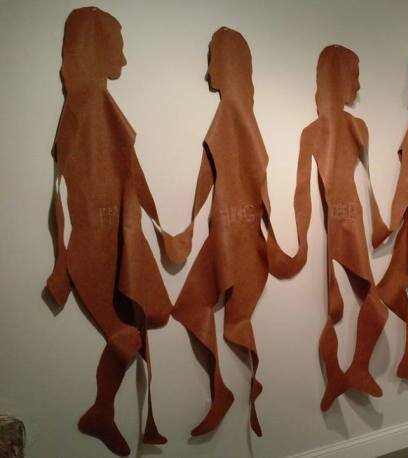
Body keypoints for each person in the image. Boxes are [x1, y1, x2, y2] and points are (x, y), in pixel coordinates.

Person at [47, 7, 172, 455]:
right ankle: (100, 412)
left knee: (151, 318)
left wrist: (158, 226)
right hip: (94, 245)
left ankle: (101, 412)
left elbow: (132, 174)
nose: (124, 59)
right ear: (96, 50)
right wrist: (60, 260)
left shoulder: (102, 104)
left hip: (118, 238)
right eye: (118, 48)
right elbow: (60, 188)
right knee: (129, 334)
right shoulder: (80, 109)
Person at [171, 27, 292, 437]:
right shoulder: (240, 113)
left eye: (212, 63)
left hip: (234, 234)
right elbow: (234, 173)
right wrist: (191, 225)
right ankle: (230, 391)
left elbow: (239, 175)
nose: (208, 75)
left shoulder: (232, 112)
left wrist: (191, 225)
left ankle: (230, 390)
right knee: (214, 314)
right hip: (237, 232)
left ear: (228, 65)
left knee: (206, 312)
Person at [274, 45, 389, 411]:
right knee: (341, 308)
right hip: (341, 223)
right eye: (355, 77)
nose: (359, 85)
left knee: (363, 307)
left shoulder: (356, 127)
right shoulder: (314, 132)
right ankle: (343, 373)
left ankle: (354, 369)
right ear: (338, 79)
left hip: (350, 219)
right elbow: (302, 193)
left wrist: (378, 223)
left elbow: (368, 181)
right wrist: (302, 244)